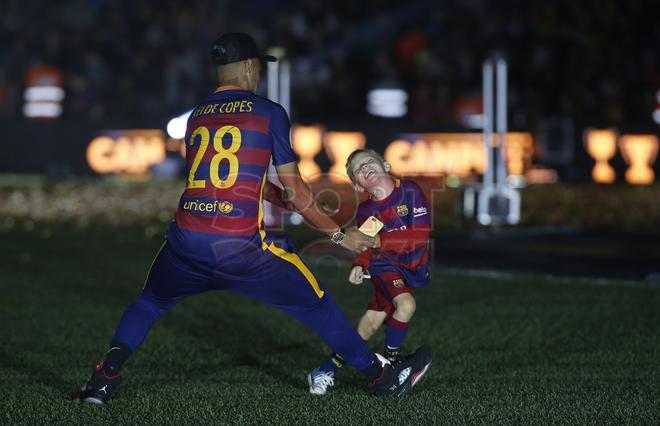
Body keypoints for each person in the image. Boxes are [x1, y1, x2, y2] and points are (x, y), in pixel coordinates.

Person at [74, 33, 431, 404]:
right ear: (248, 66)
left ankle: (103, 379)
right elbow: (298, 191)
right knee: (316, 303)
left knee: (149, 303)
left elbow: (220, 180)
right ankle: (382, 378)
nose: (259, 73)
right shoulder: (267, 112)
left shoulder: (196, 115)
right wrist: (341, 235)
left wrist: (273, 194)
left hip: (185, 243)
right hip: (241, 249)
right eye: (258, 66)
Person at [308, 149, 431, 395]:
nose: (365, 168)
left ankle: (324, 370)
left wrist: (379, 242)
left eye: (368, 162)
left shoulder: (409, 191)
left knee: (369, 325)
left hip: (411, 267)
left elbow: (420, 235)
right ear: (356, 185)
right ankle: (392, 363)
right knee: (406, 306)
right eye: (358, 170)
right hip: (384, 266)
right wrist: (360, 264)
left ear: (385, 164)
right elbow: (366, 242)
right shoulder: (367, 211)